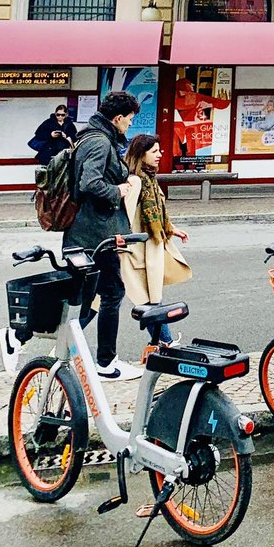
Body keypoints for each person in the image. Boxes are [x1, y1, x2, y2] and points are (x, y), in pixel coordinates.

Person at [63, 90, 140, 381]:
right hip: (96, 234)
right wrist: (117, 191)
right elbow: (89, 183)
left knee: (86, 296)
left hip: (88, 232)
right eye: (129, 120)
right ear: (117, 118)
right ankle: (106, 363)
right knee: (111, 293)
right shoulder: (98, 141)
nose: (130, 125)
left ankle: (23, 336)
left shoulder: (93, 136)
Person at [121, 134, 191, 347]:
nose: (160, 155)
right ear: (141, 155)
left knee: (150, 300)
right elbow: (124, 217)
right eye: (154, 152)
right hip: (136, 251)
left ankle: (165, 342)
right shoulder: (135, 181)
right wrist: (124, 246)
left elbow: (158, 214)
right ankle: (166, 342)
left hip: (150, 247)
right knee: (147, 301)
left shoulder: (150, 178)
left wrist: (171, 229)